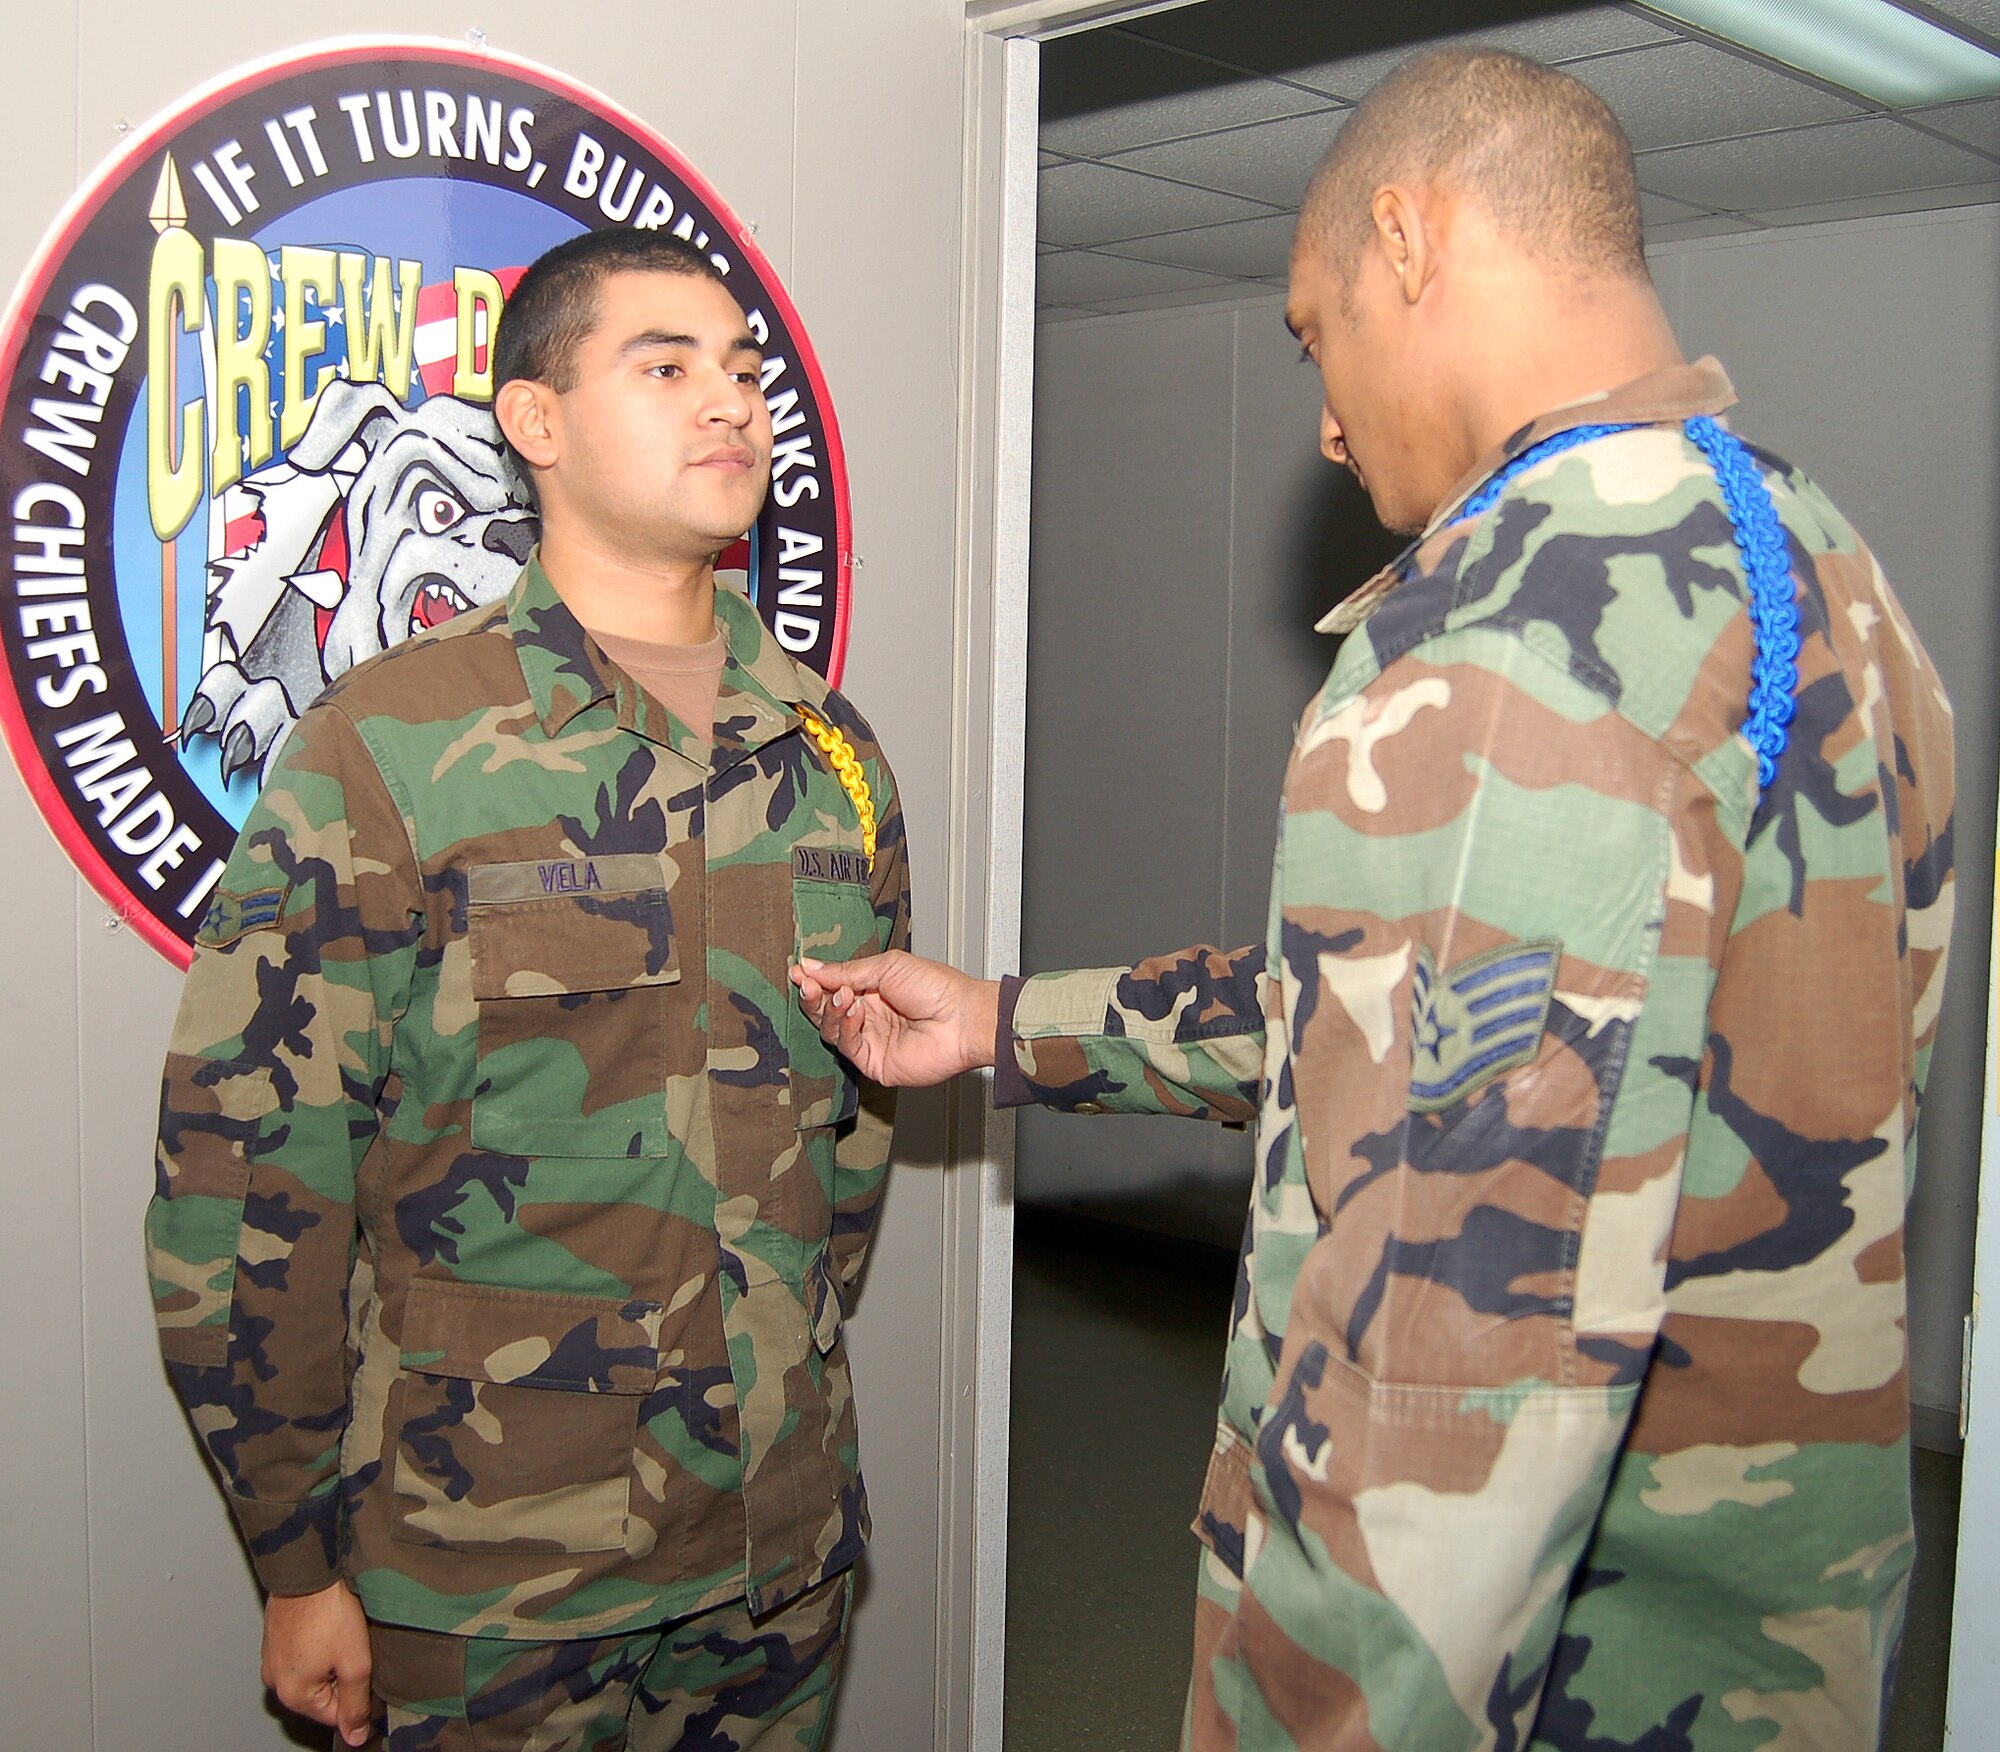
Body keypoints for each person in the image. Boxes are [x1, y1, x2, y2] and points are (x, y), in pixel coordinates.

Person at [794, 48, 1955, 1751]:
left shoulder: (1510, 634)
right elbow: (1423, 1030)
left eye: (1314, 328)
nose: (1326, 419)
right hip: (1762, 1648)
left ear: (1409, 241)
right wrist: (1003, 1025)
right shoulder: (1814, 560)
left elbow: (1448, 1364)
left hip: (1548, 1686)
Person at [146, 228, 908, 1752]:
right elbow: (248, 1175)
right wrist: (296, 1564)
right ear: (536, 423)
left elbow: (849, 1143)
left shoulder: (829, 755)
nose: (733, 406)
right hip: (491, 1577)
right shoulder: (392, 744)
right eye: (667, 365)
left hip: (774, 1557)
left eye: (745, 373)